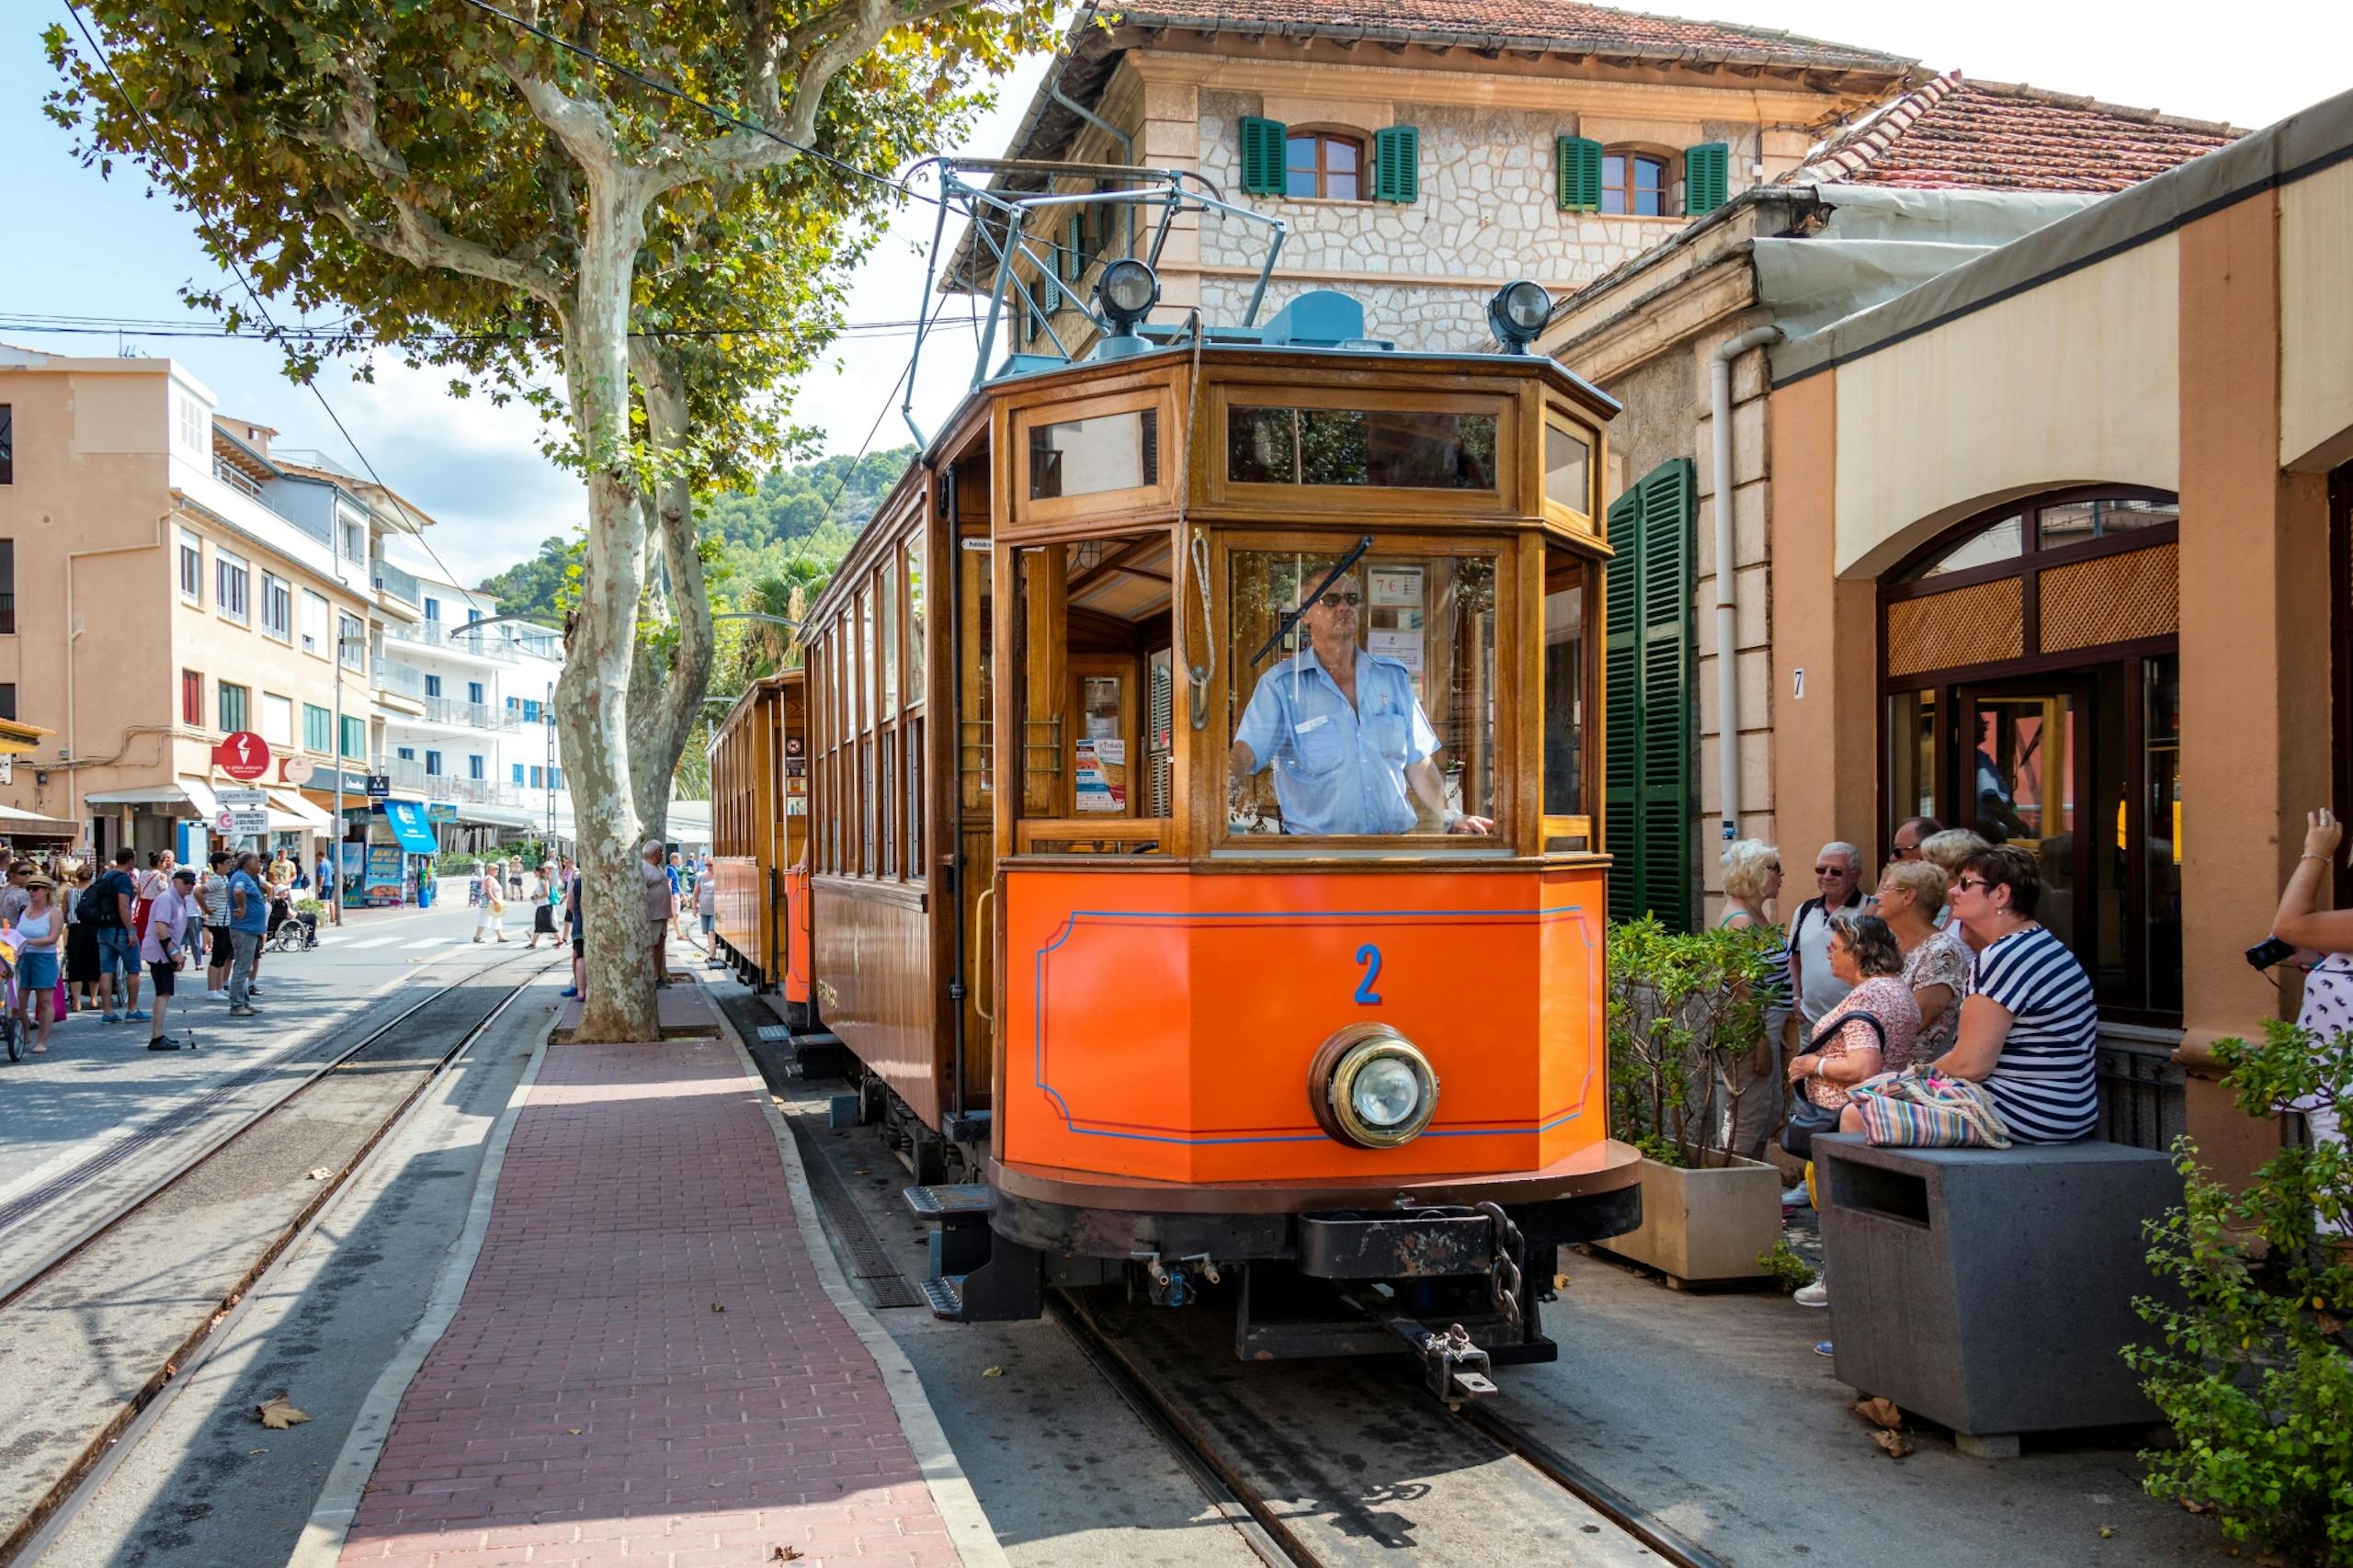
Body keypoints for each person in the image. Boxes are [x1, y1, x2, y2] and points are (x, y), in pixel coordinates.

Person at [1227, 570, 1491, 836]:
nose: (1344, 606)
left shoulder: (1392, 677)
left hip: (1393, 852)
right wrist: (1221, 791)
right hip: (1316, 859)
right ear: (1304, 614)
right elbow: (1248, 749)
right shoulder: (1281, 686)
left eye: (1351, 598)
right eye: (1330, 600)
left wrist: (1450, 816)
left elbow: (1417, 761)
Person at [1918, 844, 2100, 1144]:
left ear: (2001, 895)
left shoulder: (2003, 955)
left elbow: (1971, 1065)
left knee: (1860, 1113)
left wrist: (1912, 1076)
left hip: (2023, 1112)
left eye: (1965, 883)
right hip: (2068, 1111)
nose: (1953, 892)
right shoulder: (2041, 943)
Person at [1787, 911, 1919, 1310]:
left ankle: (1837, 1281)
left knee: (1840, 1202)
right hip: (1876, 1114)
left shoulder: (1867, 998)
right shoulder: (1896, 990)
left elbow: (1864, 1067)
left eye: (1836, 947)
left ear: (1860, 952)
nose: (1828, 952)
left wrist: (1814, 1065)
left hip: (1846, 1117)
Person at [2262, 808, 2353, 1234]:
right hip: (2334, 1094)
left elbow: (2289, 926)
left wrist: (2315, 853)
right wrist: (2324, 963)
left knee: (2344, 1218)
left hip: (2343, 1099)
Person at [1717, 839, 1790, 1161]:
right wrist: (1760, 1039)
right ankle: (1740, 1194)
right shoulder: (1741, 920)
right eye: (1775, 868)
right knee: (1750, 1116)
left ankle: (1756, 1189)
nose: (1781, 875)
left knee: (1767, 1112)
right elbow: (1740, 985)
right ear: (1758, 873)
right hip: (1751, 1027)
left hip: (1767, 1025)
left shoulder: (1753, 913)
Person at [1874, 857, 1972, 1065]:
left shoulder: (1941, 952)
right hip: (1882, 1073)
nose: (1876, 897)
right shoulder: (1890, 946)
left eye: (1885, 889)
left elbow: (1911, 1023)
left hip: (1915, 1080)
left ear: (1908, 896)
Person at [140, 868, 199, 1050]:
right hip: (160, 953)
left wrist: (175, 955)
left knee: (164, 992)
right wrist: (175, 954)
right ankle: (156, 1037)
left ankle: (158, 1036)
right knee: (163, 993)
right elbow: (161, 928)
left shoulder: (180, 900)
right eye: (186, 882)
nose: (189, 886)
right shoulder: (167, 898)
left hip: (165, 953)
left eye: (192, 882)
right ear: (175, 881)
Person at [86, 847, 146, 1024]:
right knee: (133, 969)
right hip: (120, 929)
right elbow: (123, 906)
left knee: (106, 970)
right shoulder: (123, 880)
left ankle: (108, 1011)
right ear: (129, 861)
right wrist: (130, 930)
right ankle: (132, 1009)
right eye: (134, 859)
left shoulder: (106, 876)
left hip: (103, 928)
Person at [14, 875, 63, 1054]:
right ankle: (24, 1034)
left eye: (36, 889)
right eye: (29, 889)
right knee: (19, 1002)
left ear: (47, 892)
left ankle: (42, 1040)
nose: (31, 892)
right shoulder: (25, 910)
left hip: (44, 959)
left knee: (44, 1001)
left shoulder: (54, 912)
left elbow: (52, 938)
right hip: (23, 960)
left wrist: (28, 941)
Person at [1919, 828, 1992, 937]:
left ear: (1949, 869)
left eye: (1928, 864)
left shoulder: (1971, 917)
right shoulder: (1947, 907)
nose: (1921, 870)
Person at [225, 850, 269, 1017]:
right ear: (249, 864)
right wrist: (242, 908)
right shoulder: (242, 878)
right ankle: (237, 1005)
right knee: (242, 968)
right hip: (245, 929)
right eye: (258, 862)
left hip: (248, 928)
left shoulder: (244, 877)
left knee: (244, 967)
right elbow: (237, 891)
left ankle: (244, 1002)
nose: (260, 865)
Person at [64, 863, 100, 1017]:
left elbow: (64, 912)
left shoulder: (69, 893)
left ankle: (77, 1001)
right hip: (92, 929)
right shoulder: (96, 893)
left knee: (75, 964)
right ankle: (93, 999)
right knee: (94, 962)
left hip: (76, 930)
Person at [201, 850, 233, 1000]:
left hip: (225, 920)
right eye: (227, 863)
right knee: (218, 956)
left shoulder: (224, 879)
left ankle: (219, 987)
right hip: (217, 921)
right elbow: (198, 892)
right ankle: (212, 989)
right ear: (218, 865)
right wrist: (206, 909)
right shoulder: (216, 880)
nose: (229, 866)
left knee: (223, 955)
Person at [642, 840, 675, 985]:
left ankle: (657, 976)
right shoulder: (644, 868)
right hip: (653, 916)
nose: (662, 854)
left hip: (661, 915)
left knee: (660, 945)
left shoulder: (657, 868)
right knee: (652, 946)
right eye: (661, 851)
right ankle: (652, 977)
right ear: (655, 853)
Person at [475, 868, 507, 943]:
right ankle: (477, 936)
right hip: (489, 902)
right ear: (490, 870)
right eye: (495, 869)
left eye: (498, 869)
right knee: (485, 918)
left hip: (493, 902)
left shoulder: (491, 878)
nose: (497, 871)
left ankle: (500, 936)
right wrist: (494, 900)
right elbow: (488, 890)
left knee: (496, 918)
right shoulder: (489, 878)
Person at [0, 859, 30, 928]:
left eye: (30, 872)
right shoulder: (23, 894)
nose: (28, 875)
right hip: (16, 935)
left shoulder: (2, 891)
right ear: (12, 875)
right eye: (23, 873)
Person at [696, 867, 718, 957]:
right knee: (708, 934)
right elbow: (695, 893)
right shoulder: (701, 877)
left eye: (710, 864)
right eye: (706, 864)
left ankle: (712, 956)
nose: (708, 866)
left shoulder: (718, 877)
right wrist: (694, 907)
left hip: (715, 910)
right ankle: (712, 954)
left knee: (711, 932)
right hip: (704, 910)